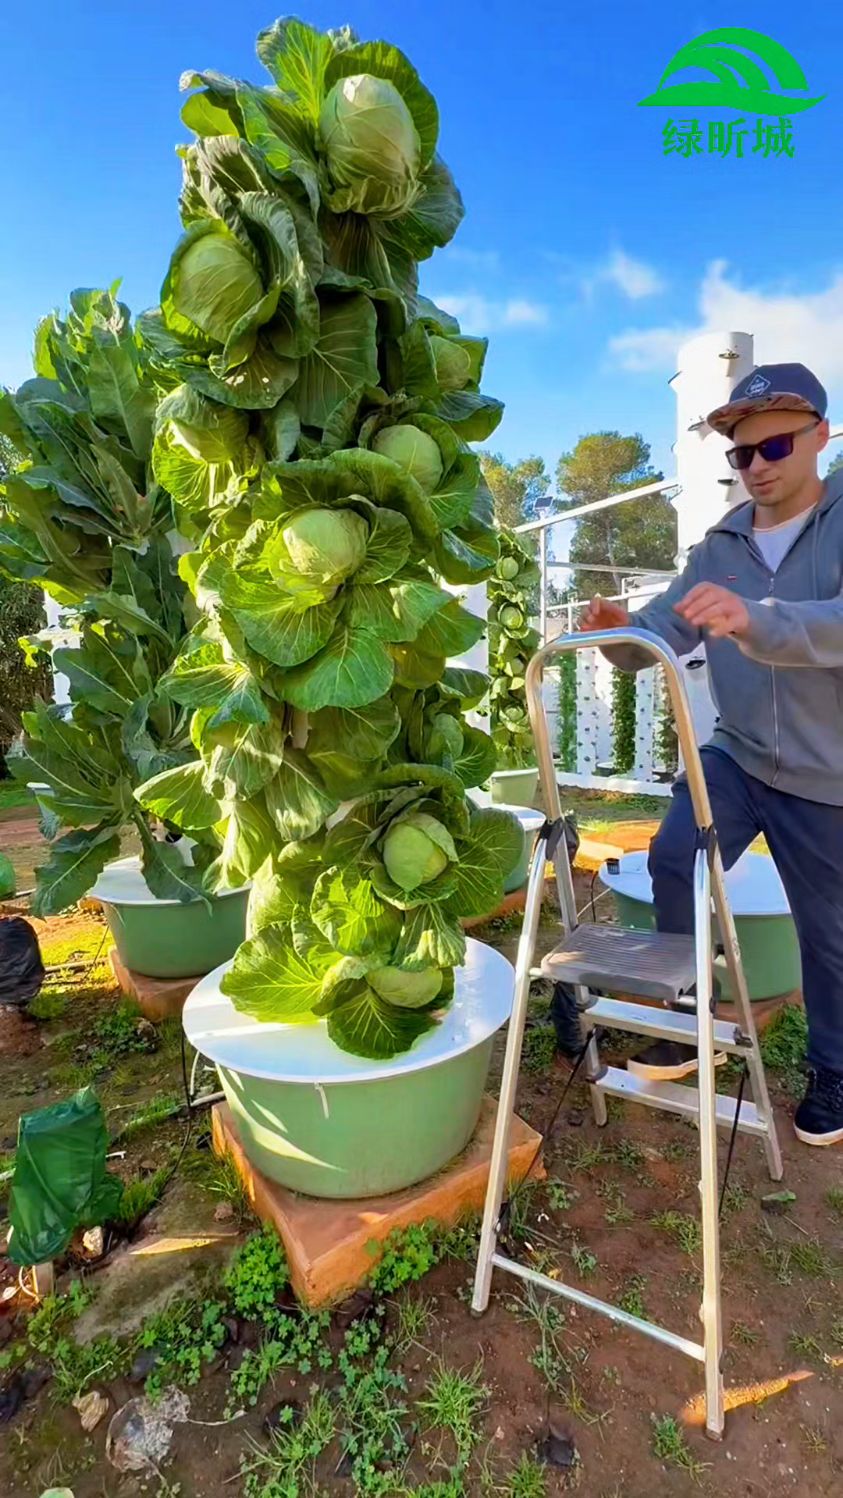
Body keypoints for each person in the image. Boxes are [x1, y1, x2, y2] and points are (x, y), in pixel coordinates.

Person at [580, 362, 843, 1147]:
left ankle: (833, 1070)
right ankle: (683, 1019)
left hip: (829, 771)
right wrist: (618, 631)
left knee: (827, 932)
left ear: (821, 438)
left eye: (775, 447)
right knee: (670, 859)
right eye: (741, 454)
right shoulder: (716, 547)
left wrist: (755, 619)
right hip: (735, 755)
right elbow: (661, 637)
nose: (756, 467)